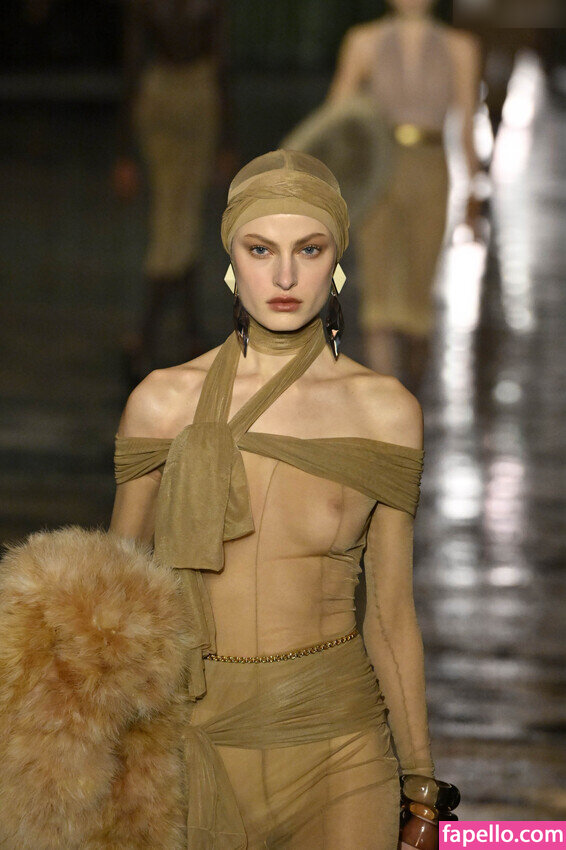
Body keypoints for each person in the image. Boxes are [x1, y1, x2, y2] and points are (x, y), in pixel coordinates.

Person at [110, 149, 440, 849]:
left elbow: (390, 614)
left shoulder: (385, 412)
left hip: (340, 745)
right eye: (261, 249)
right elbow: (113, 608)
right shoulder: (162, 404)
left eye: (308, 250)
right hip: (194, 740)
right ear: (231, 257)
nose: (285, 277)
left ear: (336, 259)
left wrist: (422, 784)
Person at [328, 0, 483, 391]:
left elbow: (468, 121)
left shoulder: (460, 47)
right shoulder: (363, 41)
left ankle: (412, 386)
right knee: (378, 297)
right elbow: (336, 116)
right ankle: (391, 403)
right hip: (378, 167)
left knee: (418, 298)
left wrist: (474, 192)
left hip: (432, 169)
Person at [112, 0, 232, 381]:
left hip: (167, 92)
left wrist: (123, 152)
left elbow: (133, 65)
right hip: (188, 95)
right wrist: (229, 141)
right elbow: (221, 61)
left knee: (177, 217)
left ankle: (179, 333)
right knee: (179, 218)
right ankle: (154, 335)